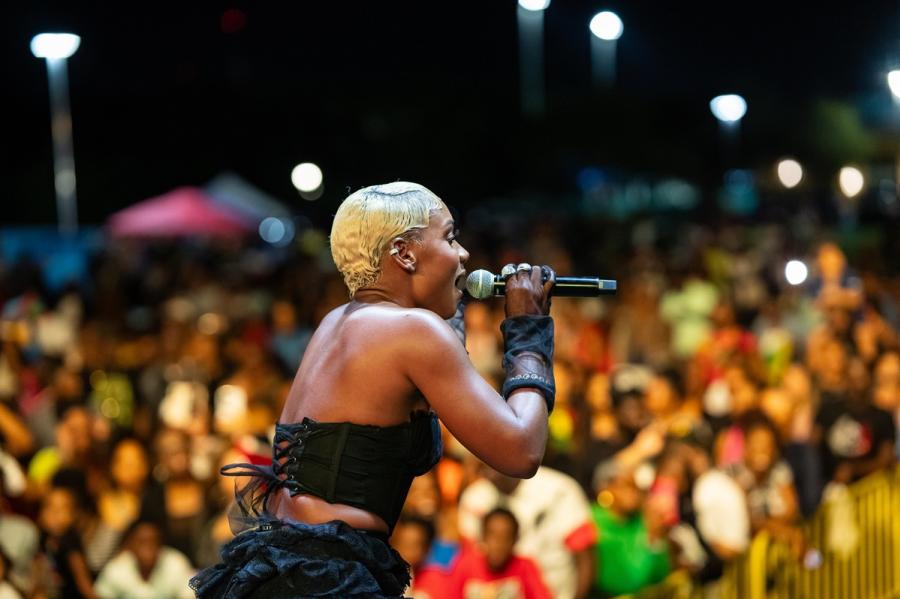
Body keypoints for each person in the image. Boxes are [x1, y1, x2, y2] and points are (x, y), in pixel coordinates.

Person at [190, 181, 557, 598]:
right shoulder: (412, 331)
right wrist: (529, 333)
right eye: (450, 237)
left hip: (287, 566)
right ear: (403, 252)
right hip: (325, 578)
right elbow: (521, 449)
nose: (463, 254)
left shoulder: (338, 321)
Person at [448, 508, 551, 599]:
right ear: (483, 536)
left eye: (506, 537)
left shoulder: (525, 567)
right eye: (493, 536)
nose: (498, 544)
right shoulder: (465, 565)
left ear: (515, 540)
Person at [94, 519, 195, 599]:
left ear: (161, 544)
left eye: (153, 541)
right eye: (141, 542)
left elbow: (189, 595)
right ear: (130, 545)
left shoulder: (176, 563)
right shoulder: (117, 568)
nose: (148, 547)